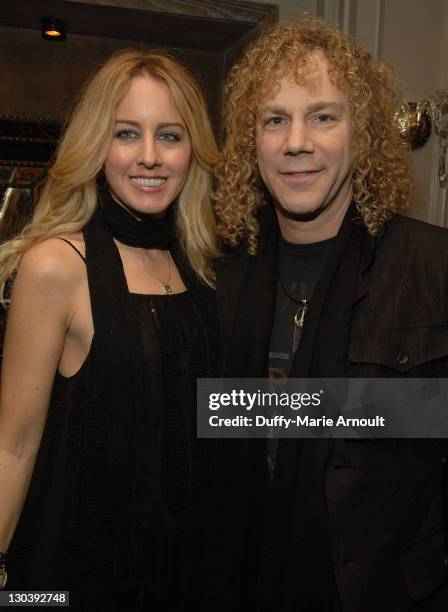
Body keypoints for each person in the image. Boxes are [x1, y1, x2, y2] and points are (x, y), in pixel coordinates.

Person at [214, 17, 448, 611]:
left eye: (323, 116)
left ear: (361, 133)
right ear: (252, 142)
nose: (297, 142)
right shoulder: (216, 272)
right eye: (275, 120)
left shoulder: (431, 266)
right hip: (238, 577)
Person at [0, 49, 219, 610]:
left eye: (169, 135)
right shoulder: (56, 266)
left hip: (187, 570)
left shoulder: (202, 268)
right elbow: (14, 444)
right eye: (126, 133)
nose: (149, 157)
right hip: (73, 575)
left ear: (192, 150)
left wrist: (389, 410)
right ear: (98, 146)